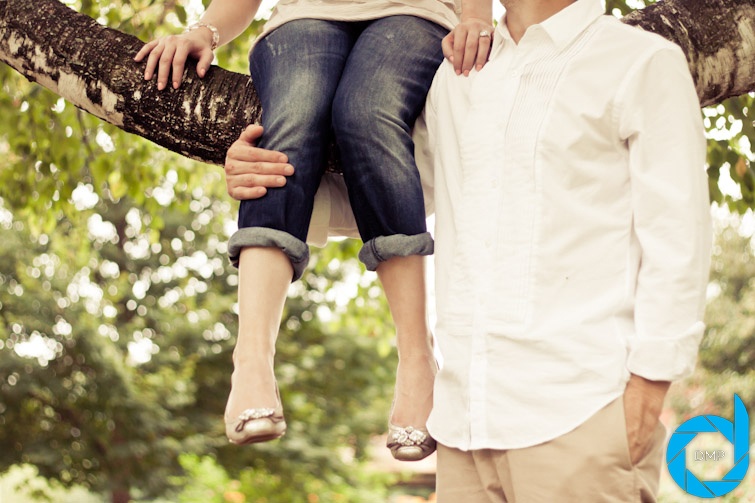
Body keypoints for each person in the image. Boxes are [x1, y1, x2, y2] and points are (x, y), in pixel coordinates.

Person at [226, 0, 713, 499]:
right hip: (462, 432)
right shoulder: (458, 76)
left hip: (580, 420)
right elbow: (396, 196)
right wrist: (269, 178)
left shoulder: (639, 61)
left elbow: (678, 240)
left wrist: (645, 399)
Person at [134, 0, 494, 460]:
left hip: (416, 12)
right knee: (290, 120)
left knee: (367, 112)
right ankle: (250, 359)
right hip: (303, 15)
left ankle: (418, 358)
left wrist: (476, 17)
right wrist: (204, 30)